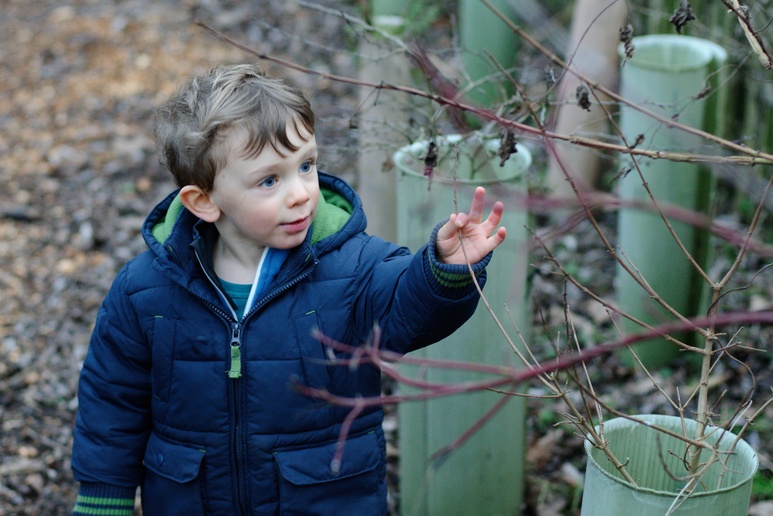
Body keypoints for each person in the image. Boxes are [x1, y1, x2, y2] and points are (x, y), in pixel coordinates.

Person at [71, 63, 507, 515]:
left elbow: (406, 312)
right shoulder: (145, 290)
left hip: (326, 499)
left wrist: (444, 271)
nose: (300, 193)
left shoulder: (351, 266)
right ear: (204, 200)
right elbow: (112, 400)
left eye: (306, 165)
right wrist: (104, 498)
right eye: (269, 180)